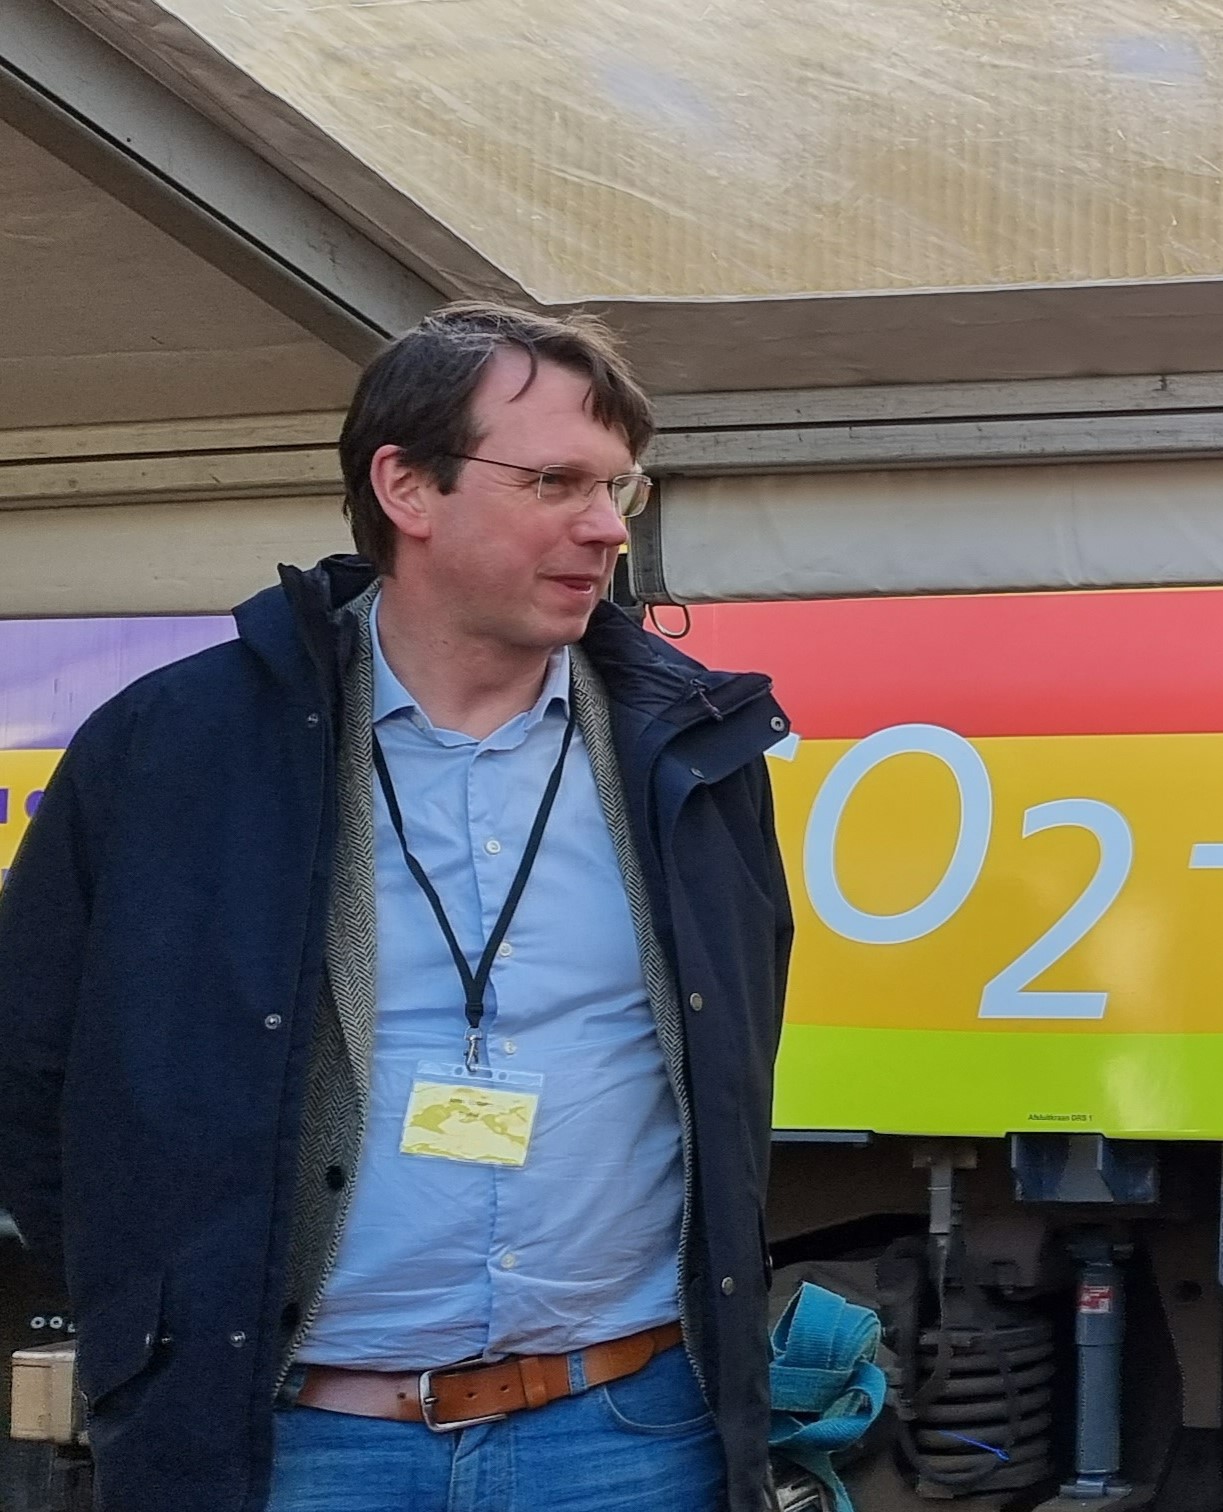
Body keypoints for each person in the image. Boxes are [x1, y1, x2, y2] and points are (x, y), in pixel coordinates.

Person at [0, 302, 795, 1512]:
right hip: (291, 1448)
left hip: (628, 1432)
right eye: (553, 481)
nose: (602, 529)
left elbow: (736, 1046)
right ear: (407, 488)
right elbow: (30, 1069)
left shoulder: (693, 750)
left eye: (617, 491)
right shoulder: (172, 750)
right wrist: (157, 1324)